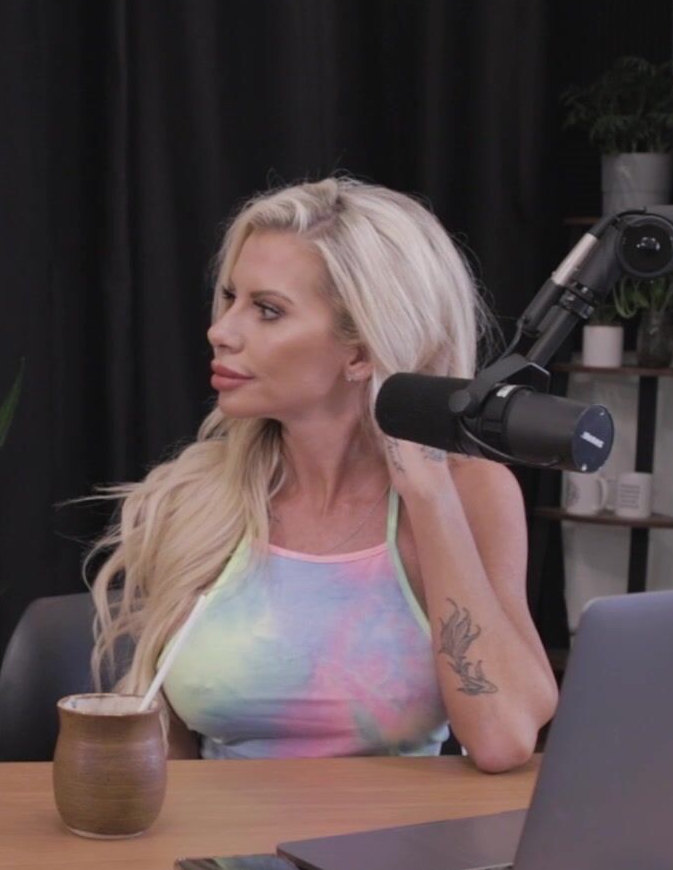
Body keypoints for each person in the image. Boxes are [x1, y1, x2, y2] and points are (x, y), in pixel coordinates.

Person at [87, 177, 556, 772]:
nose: (220, 331)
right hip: (217, 831)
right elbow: (167, 744)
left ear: (360, 352)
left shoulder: (471, 492)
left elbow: (502, 739)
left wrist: (429, 495)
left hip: (400, 833)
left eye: (267, 310)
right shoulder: (195, 498)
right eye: (230, 298)